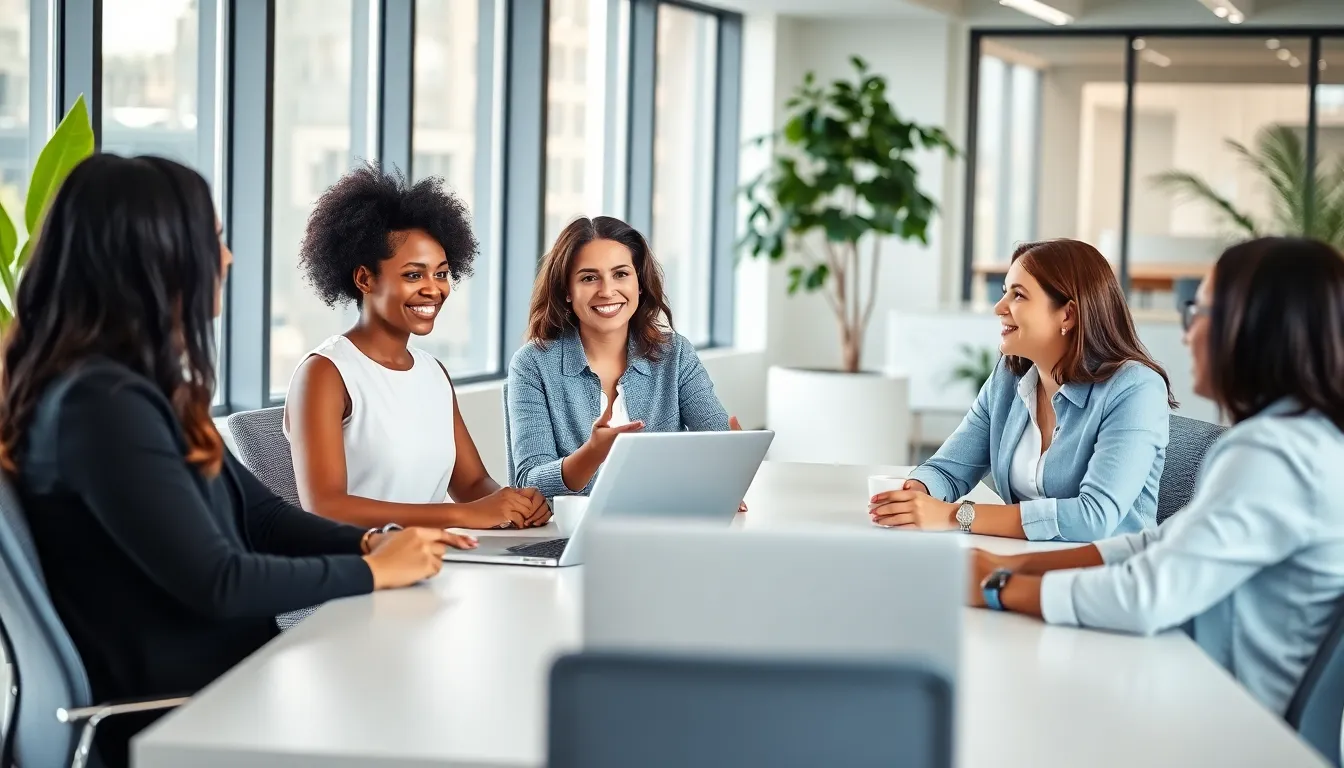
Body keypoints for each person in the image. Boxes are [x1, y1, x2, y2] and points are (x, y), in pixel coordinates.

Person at [0, 154, 476, 768]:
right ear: (156, 258)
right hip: (187, 712)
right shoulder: (101, 407)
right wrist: (375, 573)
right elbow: (220, 581)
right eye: (213, 240)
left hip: (229, 687)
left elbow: (264, 518)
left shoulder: (139, 391)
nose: (224, 260)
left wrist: (373, 544)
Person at [966, 237, 1344, 717]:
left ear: (1251, 328)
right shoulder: (1304, 440)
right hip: (1210, 695)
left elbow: (1146, 595)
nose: (1186, 334)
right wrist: (1015, 566)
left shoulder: (1274, 455)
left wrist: (996, 589)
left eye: (1197, 312)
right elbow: (1161, 543)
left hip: (1228, 722)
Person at [284, 164, 549, 530]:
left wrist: (516, 505)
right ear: (364, 278)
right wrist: (462, 515)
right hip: (360, 567)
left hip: (432, 562)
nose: (433, 288)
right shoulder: (325, 373)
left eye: (441, 273)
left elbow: (472, 485)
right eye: (413, 274)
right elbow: (326, 507)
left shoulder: (432, 371)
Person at [873, 239, 1174, 541]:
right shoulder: (1008, 379)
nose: (999, 307)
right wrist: (917, 493)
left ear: (1067, 315)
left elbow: (1093, 517)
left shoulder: (1136, 390)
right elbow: (949, 470)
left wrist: (956, 515)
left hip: (1106, 576)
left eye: (1018, 295)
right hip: (1022, 563)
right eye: (1005, 292)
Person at [507, 216, 742, 497]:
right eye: (589, 278)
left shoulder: (675, 354)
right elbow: (529, 484)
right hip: (568, 535)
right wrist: (592, 453)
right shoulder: (533, 364)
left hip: (662, 524)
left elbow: (717, 442)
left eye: (621, 274)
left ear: (640, 284)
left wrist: (731, 467)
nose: (607, 291)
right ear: (567, 291)